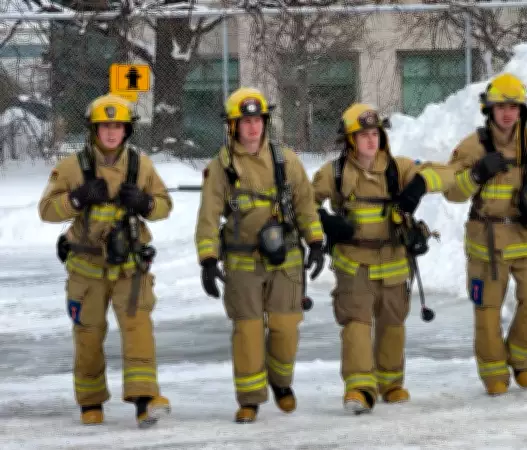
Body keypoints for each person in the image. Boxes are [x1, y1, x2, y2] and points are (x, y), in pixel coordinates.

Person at [38, 93, 173, 427]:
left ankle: (144, 400)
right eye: (104, 126)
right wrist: (76, 198)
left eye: (118, 126)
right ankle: (90, 401)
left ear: (127, 130)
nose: (111, 132)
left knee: (138, 329)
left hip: (130, 267)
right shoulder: (72, 167)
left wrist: (144, 203)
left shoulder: (142, 166)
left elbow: (164, 205)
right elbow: (46, 210)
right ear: (93, 130)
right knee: (88, 334)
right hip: (87, 270)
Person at [312, 103, 455, 414]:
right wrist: (323, 220)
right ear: (349, 140)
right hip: (354, 264)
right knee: (357, 323)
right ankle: (360, 388)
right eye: (362, 135)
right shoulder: (334, 174)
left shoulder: (397, 168)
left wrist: (418, 185)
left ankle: (390, 383)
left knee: (393, 322)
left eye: (374, 133)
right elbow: (302, 203)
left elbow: (449, 174)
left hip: (393, 262)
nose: (370, 140)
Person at [194, 87, 325, 423]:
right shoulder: (221, 167)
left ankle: (281, 383)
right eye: (244, 121)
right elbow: (208, 217)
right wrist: (208, 260)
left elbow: (306, 205)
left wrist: (316, 242)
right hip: (242, 262)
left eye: (257, 120)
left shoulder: (286, 160)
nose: (252, 127)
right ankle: (250, 399)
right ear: (232, 126)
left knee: (285, 327)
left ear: (265, 122)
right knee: (248, 332)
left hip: (287, 259)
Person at [443, 73, 527, 396]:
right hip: (488, 241)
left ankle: (520, 358)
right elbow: (452, 192)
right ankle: (493, 372)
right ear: (489, 110)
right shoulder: (472, 146)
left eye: (513, 107)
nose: (507, 113)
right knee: (487, 311)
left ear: (522, 110)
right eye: (500, 107)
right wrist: (477, 173)